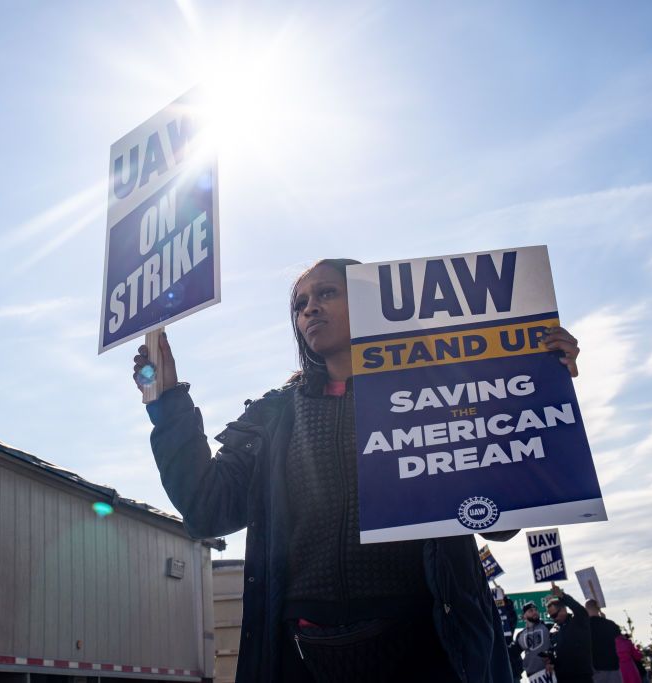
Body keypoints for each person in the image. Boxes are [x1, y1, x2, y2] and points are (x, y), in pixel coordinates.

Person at [133, 258, 582, 682]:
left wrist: (534, 378)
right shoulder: (272, 417)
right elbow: (208, 510)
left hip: (428, 646)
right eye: (299, 303)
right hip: (303, 652)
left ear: (374, 303)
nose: (309, 307)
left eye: (326, 292)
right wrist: (168, 403)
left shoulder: (438, 398)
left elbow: (497, 526)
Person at [547, 584, 593, 683]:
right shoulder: (554, 630)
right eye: (551, 617)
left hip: (582, 677)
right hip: (563, 678)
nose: (554, 618)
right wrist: (549, 662)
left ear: (563, 609)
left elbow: (579, 609)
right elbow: (554, 652)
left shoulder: (577, 620)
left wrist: (562, 596)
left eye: (555, 615)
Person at [511, 601, 553, 679]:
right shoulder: (521, 635)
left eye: (535, 610)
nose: (534, 612)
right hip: (533, 676)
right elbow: (513, 653)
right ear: (524, 616)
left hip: (551, 671)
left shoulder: (549, 627)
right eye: (530, 611)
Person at [587, 599, 624, 683]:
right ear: (598, 609)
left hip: (596, 668)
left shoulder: (584, 627)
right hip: (613, 666)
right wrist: (604, 620)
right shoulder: (610, 624)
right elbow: (618, 635)